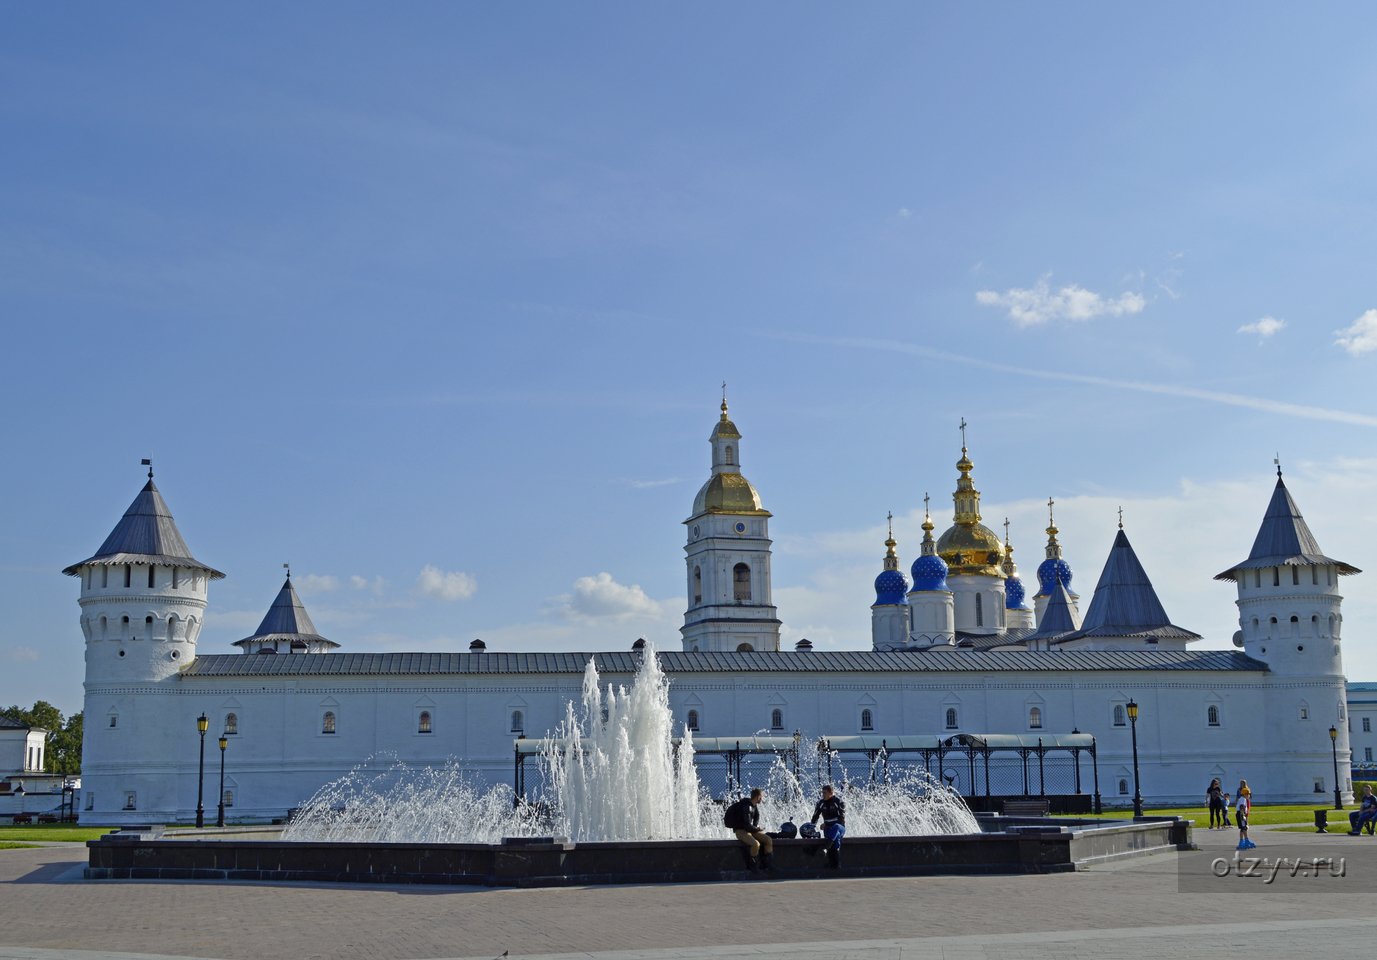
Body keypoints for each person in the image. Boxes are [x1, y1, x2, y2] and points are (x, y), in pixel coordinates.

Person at [724, 788, 773, 872]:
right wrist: (757, 829)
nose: (762, 799)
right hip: (740, 831)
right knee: (756, 844)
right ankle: (753, 866)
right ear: (758, 797)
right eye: (761, 797)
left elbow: (757, 816)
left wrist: (756, 828)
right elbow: (747, 826)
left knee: (768, 840)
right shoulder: (746, 807)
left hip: (750, 830)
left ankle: (767, 865)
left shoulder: (754, 805)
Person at [810, 783, 847, 869]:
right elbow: (815, 817)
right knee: (835, 837)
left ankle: (825, 848)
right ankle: (836, 864)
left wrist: (826, 824)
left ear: (831, 793)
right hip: (829, 830)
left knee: (836, 828)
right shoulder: (820, 803)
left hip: (840, 828)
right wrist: (811, 828)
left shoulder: (839, 802)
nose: (823, 795)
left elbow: (841, 820)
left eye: (825, 793)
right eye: (822, 793)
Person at [1235, 779, 1254, 849]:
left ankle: (1242, 841)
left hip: (1239, 814)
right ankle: (1246, 841)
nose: (1249, 795)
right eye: (1248, 794)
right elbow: (1241, 807)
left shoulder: (1243, 799)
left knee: (1243, 829)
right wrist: (1243, 816)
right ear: (1245, 794)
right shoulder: (1243, 799)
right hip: (1241, 815)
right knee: (1244, 828)